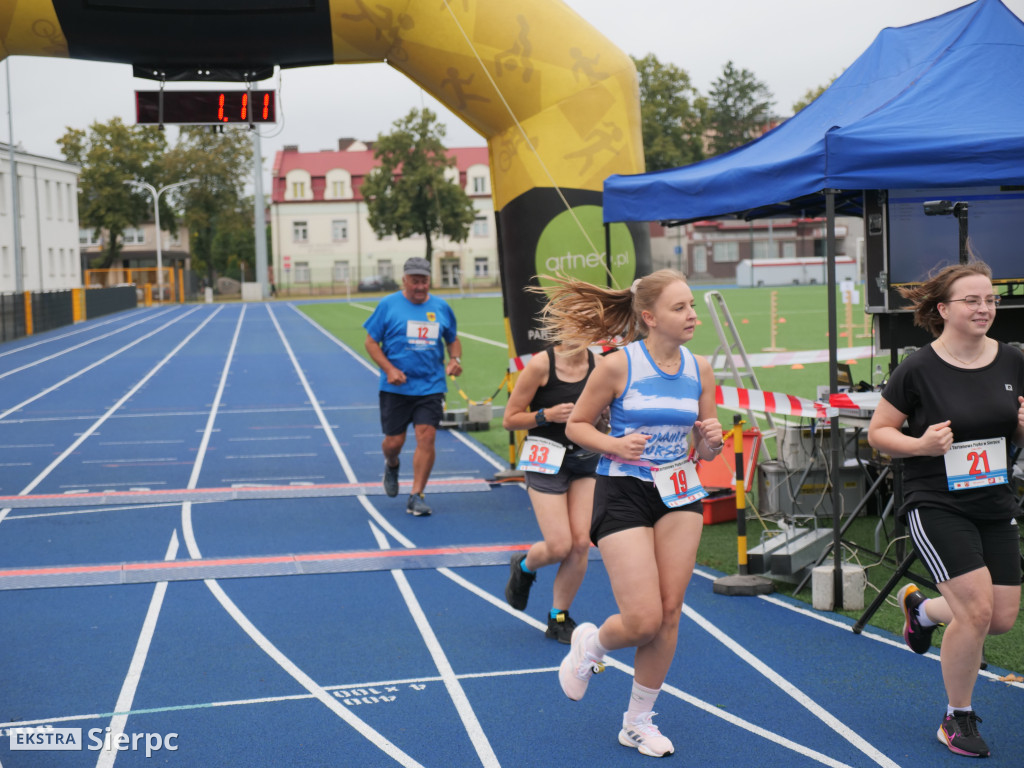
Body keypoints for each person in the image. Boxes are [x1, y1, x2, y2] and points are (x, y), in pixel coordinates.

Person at [542, 269, 723, 758]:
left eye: (691, 305)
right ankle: (593, 646)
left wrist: (709, 442)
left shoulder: (700, 368)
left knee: (668, 615)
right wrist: (616, 444)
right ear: (649, 317)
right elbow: (579, 426)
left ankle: (638, 721)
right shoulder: (618, 365)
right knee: (641, 620)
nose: (692, 315)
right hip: (623, 490)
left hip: (680, 490)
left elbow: (703, 448)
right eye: (680, 307)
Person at [867, 260, 1024, 759]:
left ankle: (923, 610)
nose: (984, 308)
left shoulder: (1013, 359)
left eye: (991, 300)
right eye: (972, 300)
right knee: (975, 612)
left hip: (993, 499)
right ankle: (957, 717)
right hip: (936, 501)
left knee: (1000, 618)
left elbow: (1016, 428)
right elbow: (878, 433)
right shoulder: (918, 367)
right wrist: (921, 444)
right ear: (943, 310)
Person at [501, 343, 601, 643]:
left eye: (586, 325)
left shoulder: (602, 365)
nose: (577, 332)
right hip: (546, 461)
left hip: (585, 461)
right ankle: (523, 566)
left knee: (581, 543)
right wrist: (546, 415)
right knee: (559, 546)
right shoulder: (540, 366)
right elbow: (510, 418)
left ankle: (558, 617)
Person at [363, 257, 463, 516]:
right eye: (415, 281)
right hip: (395, 388)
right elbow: (371, 343)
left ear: (430, 280)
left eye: (424, 281)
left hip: (430, 386)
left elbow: (453, 339)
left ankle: (416, 495)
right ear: (404, 280)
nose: (420, 286)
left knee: (427, 436)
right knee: (393, 442)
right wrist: (390, 369)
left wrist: (455, 359)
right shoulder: (388, 305)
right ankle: (392, 463)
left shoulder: (441, 307)